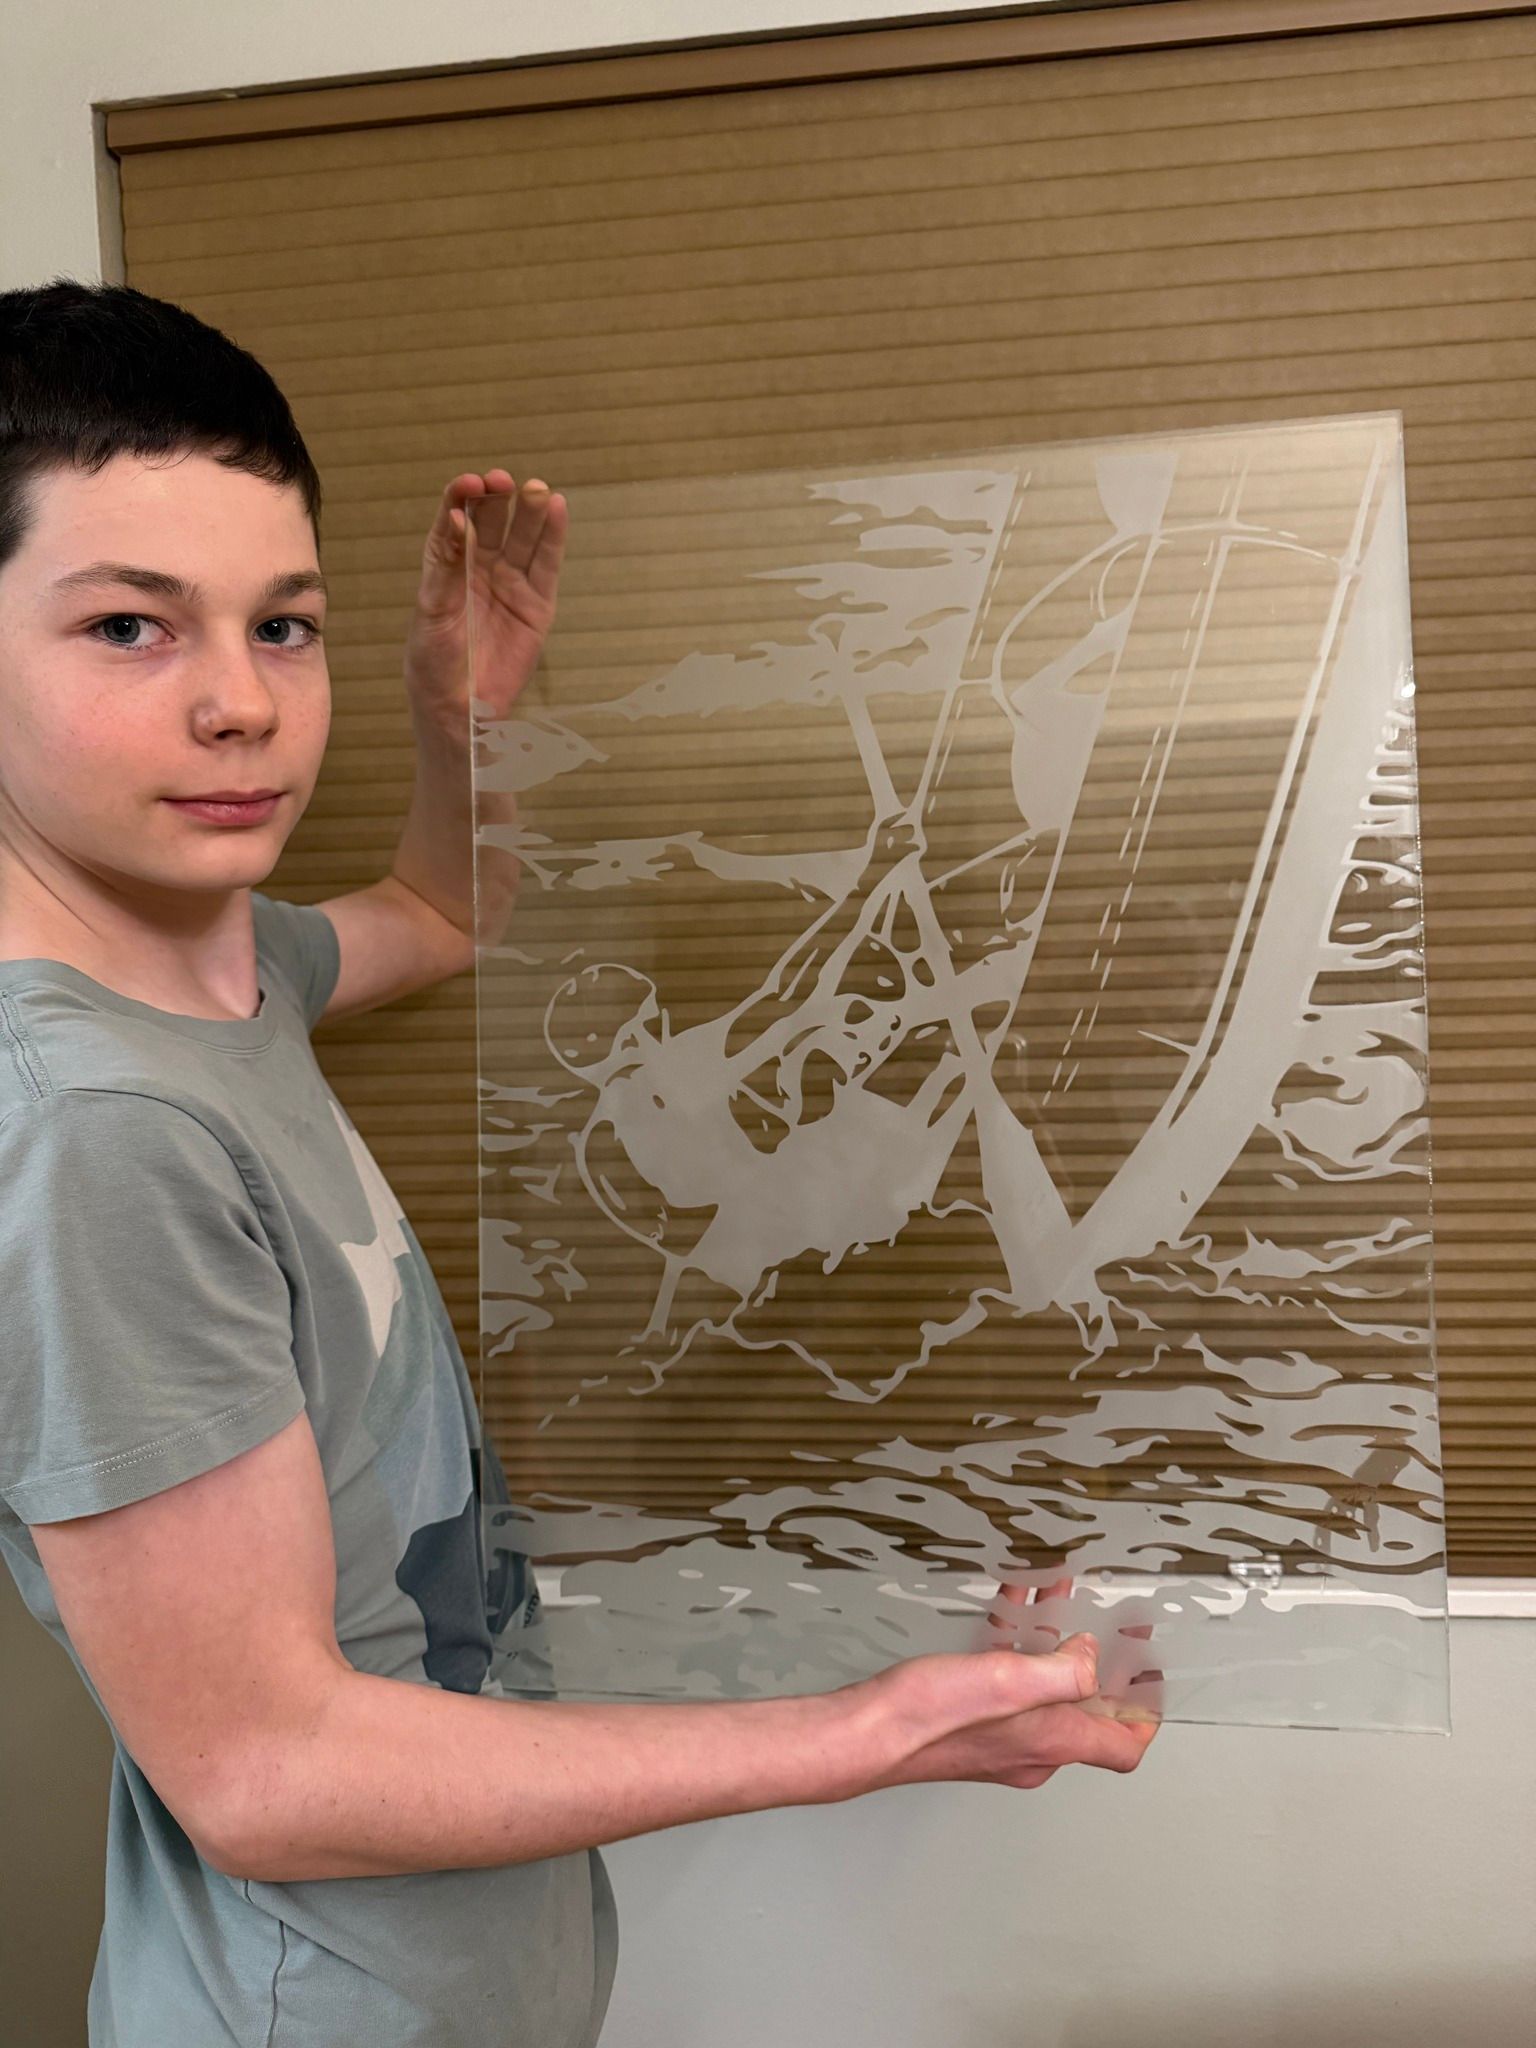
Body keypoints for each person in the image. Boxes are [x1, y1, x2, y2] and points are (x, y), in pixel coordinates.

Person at [0, 281, 1157, 2048]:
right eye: (131, 631)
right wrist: (869, 1733)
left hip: (459, 1981)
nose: (240, 703)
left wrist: (452, 710)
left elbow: (443, 913)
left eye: (283, 626)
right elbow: (264, 1772)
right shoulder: (93, 1131)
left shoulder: (226, 973)